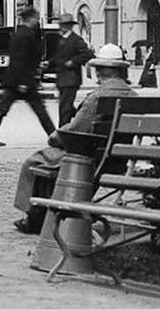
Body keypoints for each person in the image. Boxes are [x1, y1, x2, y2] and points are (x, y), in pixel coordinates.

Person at [11, 43, 137, 233]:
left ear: (100, 71)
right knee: (48, 161)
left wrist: (55, 136)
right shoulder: (132, 96)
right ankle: (41, 215)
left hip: (88, 159)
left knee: (35, 162)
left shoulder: (98, 98)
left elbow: (76, 129)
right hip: (116, 160)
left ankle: (35, 218)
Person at [0, 6, 55, 147]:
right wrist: (23, 81)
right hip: (24, 80)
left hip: (15, 79)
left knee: (3, 108)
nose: (37, 21)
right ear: (31, 18)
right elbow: (21, 59)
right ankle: (54, 137)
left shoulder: (19, 33)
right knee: (40, 109)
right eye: (35, 18)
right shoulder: (26, 35)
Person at [47, 12, 96, 127]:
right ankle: (82, 118)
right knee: (66, 106)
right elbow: (58, 57)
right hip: (62, 79)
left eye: (64, 25)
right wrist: (49, 63)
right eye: (61, 25)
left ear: (69, 26)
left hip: (71, 79)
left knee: (65, 107)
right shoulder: (61, 39)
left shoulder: (76, 40)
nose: (62, 27)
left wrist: (73, 61)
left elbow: (87, 54)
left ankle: (63, 131)